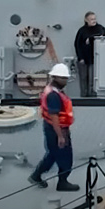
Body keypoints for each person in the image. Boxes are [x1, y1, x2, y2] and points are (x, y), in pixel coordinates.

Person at [30, 64, 79, 192]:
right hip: (57, 129)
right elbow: (54, 116)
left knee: (53, 154)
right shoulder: (53, 95)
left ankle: (36, 175)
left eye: (66, 78)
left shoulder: (52, 90)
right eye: (63, 78)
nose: (65, 81)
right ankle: (62, 182)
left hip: (52, 127)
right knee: (65, 156)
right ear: (55, 77)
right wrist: (60, 136)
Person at [73, 11, 105, 97]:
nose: (94, 21)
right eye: (91, 19)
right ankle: (83, 96)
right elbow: (77, 44)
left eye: (94, 19)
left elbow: (102, 35)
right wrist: (80, 57)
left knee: (93, 78)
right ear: (86, 20)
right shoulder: (82, 30)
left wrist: (90, 38)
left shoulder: (100, 28)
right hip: (83, 58)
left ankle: (92, 95)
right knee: (83, 78)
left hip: (94, 58)